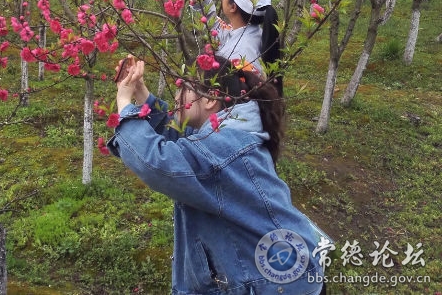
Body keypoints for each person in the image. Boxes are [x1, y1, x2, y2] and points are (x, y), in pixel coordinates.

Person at [108, 55, 328, 295]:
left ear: (211, 99)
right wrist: (141, 93)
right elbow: (183, 140)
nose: (176, 97)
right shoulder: (228, 134)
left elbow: (157, 162)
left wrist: (124, 101)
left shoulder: (226, 148)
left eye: (184, 89)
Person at [190, 0, 282, 91]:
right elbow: (218, 30)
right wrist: (202, 2)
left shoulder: (240, 57)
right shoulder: (249, 33)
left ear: (233, 7)